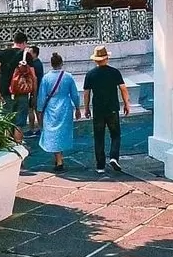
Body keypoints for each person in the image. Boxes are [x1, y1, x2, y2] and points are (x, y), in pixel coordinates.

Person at [83, 44, 129, 174]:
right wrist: (126, 103)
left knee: (99, 136)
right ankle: (114, 157)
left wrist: (86, 108)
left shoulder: (90, 74)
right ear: (107, 58)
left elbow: (86, 93)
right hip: (112, 108)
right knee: (115, 134)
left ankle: (100, 165)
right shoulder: (114, 72)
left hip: (98, 109)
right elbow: (123, 89)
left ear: (95, 60)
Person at [38, 52, 83, 171]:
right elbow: (74, 94)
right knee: (62, 131)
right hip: (65, 106)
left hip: (51, 107)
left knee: (52, 132)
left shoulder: (46, 77)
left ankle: (58, 158)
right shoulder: (68, 76)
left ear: (51, 64)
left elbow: (42, 96)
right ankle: (59, 157)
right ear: (62, 63)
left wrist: (39, 110)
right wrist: (78, 107)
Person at [0, 31, 36, 145]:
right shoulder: (26, 55)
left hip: (5, 93)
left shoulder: (2, 54)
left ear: (14, 41)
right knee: (19, 124)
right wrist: (33, 94)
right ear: (24, 43)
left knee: (6, 122)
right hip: (22, 93)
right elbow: (33, 76)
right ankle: (18, 148)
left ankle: (8, 150)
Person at [28, 45, 45, 131]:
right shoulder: (38, 63)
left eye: (30, 52)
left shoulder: (35, 64)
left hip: (35, 89)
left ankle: (33, 128)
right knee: (36, 109)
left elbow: (35, 78)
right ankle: (40, 127)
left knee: (32, 109)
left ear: (35, 54)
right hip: (37, 89)